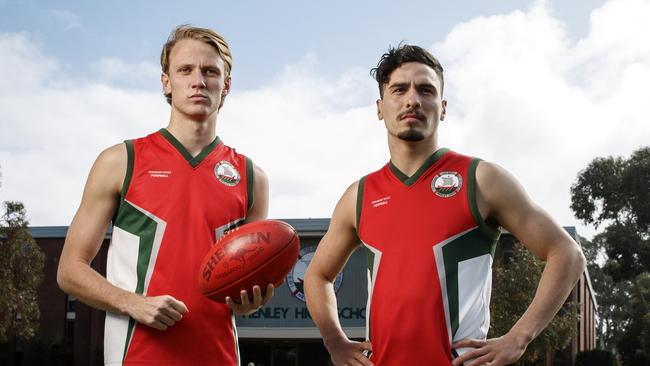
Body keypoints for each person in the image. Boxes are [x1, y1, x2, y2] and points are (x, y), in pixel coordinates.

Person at [304, 44, 586, 366]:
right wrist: (335, 341)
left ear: (443, 107)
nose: (412, 100)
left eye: (426, 90)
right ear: (380, 107)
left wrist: (518, 338)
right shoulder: (359, 195)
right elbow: (317, 276)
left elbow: (566, 253)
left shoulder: (481, 179)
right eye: (399, 90)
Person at [57, 25, 272, 365]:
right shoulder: (121, 161)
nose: (198, 81)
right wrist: (132, 302)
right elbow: (69, 269)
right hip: (137, 356)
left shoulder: (252, 178)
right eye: (185, 70)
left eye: (210, 71)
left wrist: (252, 301)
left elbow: (248, 282)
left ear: (226, 85)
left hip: (219, 356)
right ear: (166, 82)